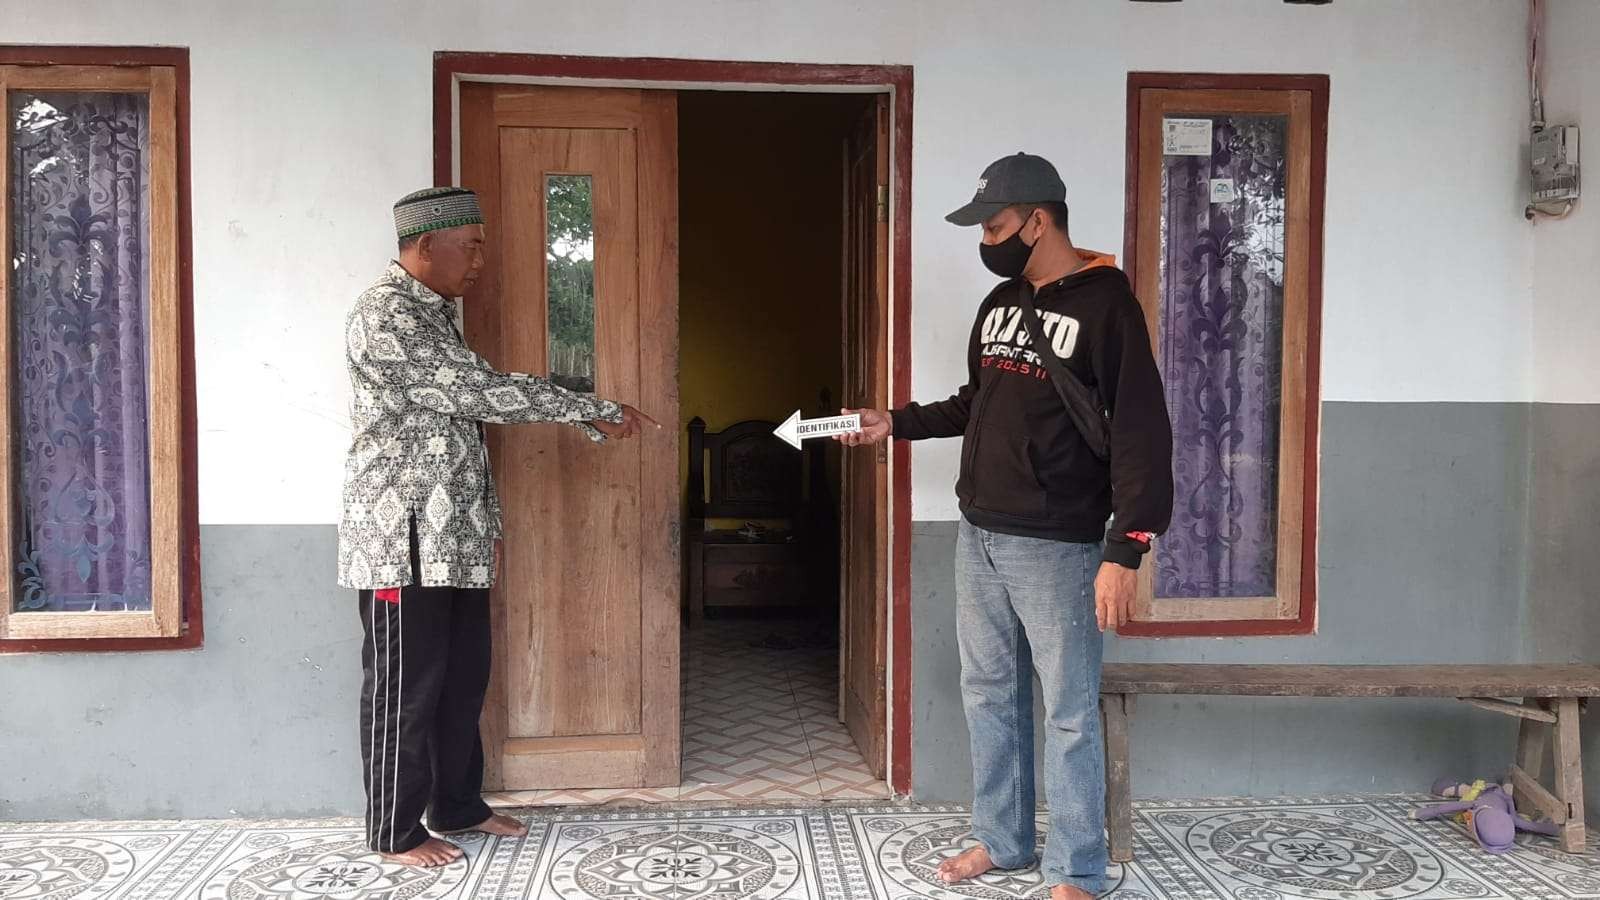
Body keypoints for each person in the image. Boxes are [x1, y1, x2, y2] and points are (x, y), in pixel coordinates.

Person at [838, 154, 1172, 899]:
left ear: (1038, 219)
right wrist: (889, 422)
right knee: (989, 694)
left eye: (994, 225)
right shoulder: (1000, 304)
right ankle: (1005, 840)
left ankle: (1078, 871)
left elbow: (1143, 432)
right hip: (980, 532)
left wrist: (1126, 548)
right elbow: (973, 401)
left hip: (1059, 542)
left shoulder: (1108, 307)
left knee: (1068, 712)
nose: (986, 239)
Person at [337, 187, 656, 867]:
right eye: (471, 245)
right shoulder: (385, 313)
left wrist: (490, 527)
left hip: (456, 539)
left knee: (461, 681)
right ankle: (393, 831)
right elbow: (473, 392)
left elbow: (462, 436)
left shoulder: (437, 316)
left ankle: (456, 805)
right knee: (404, 686)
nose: (481, 259)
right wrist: (585, 405)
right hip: (403, 543)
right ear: (426, 246)